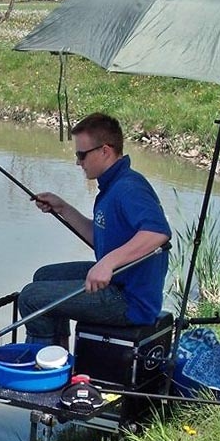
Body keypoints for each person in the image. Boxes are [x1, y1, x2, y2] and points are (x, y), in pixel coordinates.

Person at [18, 112, 172, 347]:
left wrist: (107, 263)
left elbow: (157, 232)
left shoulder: (129, 188)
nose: (78, 162)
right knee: (44, 276)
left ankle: (43, 372)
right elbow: (99, 237)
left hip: (129, 300)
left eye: (81, 155)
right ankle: (57, 356)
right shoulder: (112, 186)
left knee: (32, 297)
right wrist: (63, 208)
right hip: (117, 281)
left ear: (105, 151)